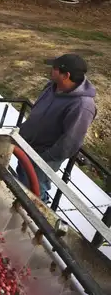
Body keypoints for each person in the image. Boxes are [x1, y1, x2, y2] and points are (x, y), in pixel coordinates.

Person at [17, 54, 97, 202]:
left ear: (66, 75)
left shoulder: (82, 105)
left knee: (35, 193)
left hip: (42, 158)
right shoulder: (51, 86)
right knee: (21, 181)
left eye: (54, 69)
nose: (50, 70)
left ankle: (35, 220)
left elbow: (71, 142)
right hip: (26, 145)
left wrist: (44, 159)